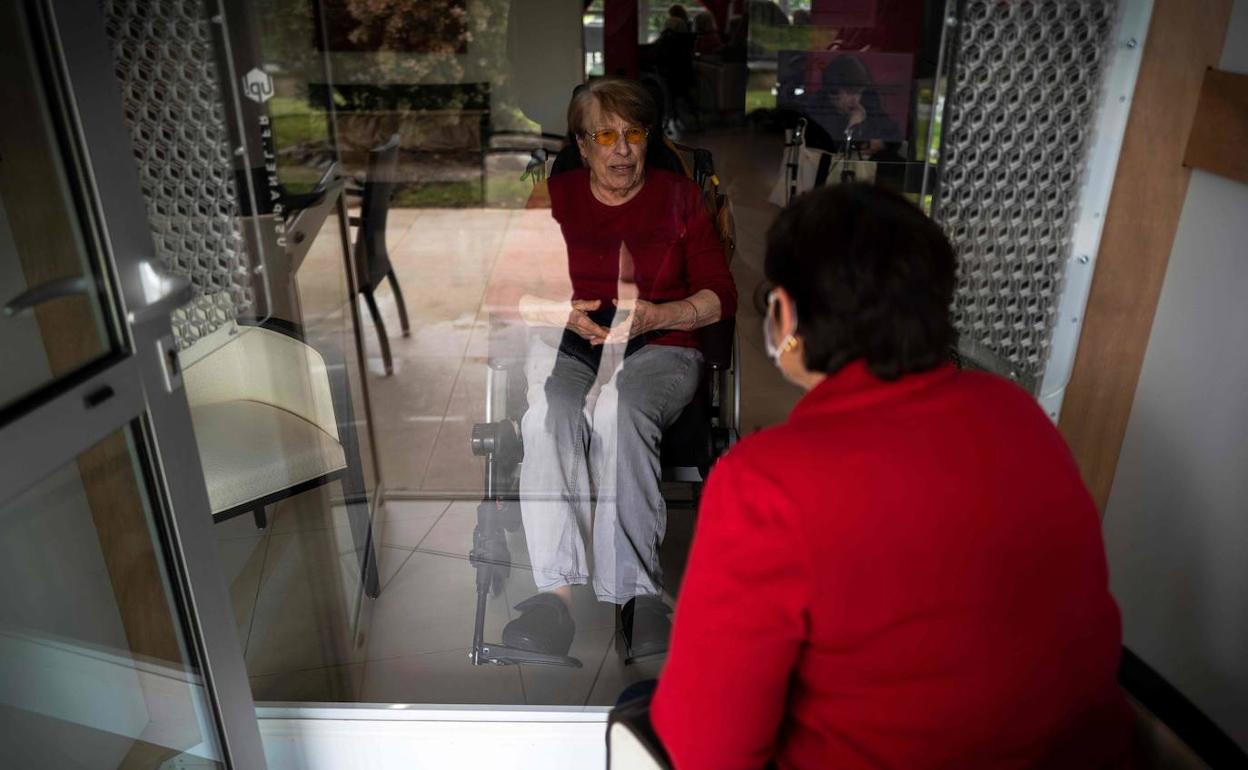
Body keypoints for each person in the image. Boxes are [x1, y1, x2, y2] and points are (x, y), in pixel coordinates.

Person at [650, 185, 1133, 768]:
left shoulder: (767, 482)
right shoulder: (1017, 413)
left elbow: (707, 748)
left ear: (788, 316)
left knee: (640, 712)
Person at [501, 78, 737, 660]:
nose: (622, 149)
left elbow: (721, 293)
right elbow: (505, 292)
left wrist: (663, 313)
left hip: (661, 339)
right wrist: (558, 312)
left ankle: (636, 594)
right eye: (605, 136)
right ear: (582, 146)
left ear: (649, 138)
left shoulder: (681, 197)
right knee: (550, 416)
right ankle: (554, 596)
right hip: (571, 336)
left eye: (634, 133)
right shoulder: (551, 198)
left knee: (618, 410)